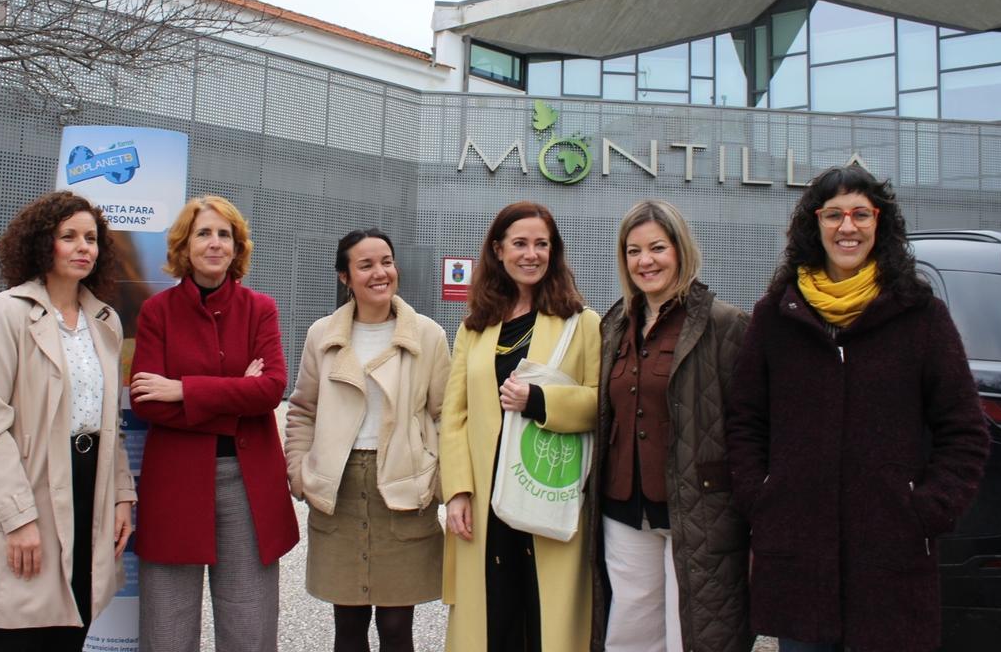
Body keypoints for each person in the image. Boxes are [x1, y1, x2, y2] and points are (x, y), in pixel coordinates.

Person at [726, 165, 990, 652]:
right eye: (833, 215)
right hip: (798, 561)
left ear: (879, 224)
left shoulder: (921, 317)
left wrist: (926, 509)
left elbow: (966, 431)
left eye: (861, 214)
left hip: (892, 560)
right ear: (815, 224)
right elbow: (745, 422)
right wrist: (762, 497)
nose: (847, 227)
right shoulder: (776, 317)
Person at [0, 191, 136, 651]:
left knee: (72, 626)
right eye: (68, 236)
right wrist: (18, 520)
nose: (82, 247)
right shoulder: (6, 313)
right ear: (41, 243)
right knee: (16, 627)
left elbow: (110, 419)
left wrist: (122, 496)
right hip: (27, 486)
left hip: (90, 487)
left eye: (90, 238)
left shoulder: (104, 321)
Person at [129, 195, 298, 652]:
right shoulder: (157, 312)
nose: (215, 243)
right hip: (176, 483)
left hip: (247, 482)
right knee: (167, 626)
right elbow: (147, 400)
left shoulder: (260, 308)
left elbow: (271, 389)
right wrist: (234, 393)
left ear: (237, 246)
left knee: (249, 624)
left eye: (225, 234)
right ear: (185, 245)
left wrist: (184, 389)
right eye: (204, 233)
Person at [589, 200, 752, 652]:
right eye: (633, 251)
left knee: (695, 635)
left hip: (699, 508)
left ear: (680, 249)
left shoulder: (726, 324)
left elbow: (749, 425)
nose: (645, 261)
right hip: (623, 506)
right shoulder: (614, 326)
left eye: (657, 248)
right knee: (631, 632)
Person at [440, 201, 601, 652]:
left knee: (542, 613)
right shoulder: (474, 328)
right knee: (494, 612)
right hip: (486, 497)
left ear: (555, 252)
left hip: (546, 487)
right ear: (498, 250)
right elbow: (454, 416)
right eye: (520, 243)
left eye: (542, 244)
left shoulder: (582, 323)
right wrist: (457, 491)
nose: (531, 254)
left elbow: (599, 404)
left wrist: (540, 400)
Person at [285, 228, 452, 652]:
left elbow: (445, 414)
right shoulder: (321, 335)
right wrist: (300, 473)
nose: (380, 273)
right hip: (339, 490)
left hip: (402, 487)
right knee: (349, 625)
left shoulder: (428, 335)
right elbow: (302, 409)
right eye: (366, 265)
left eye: (386, 262)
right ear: (346, 277)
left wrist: (438, 482)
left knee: (397, 626)